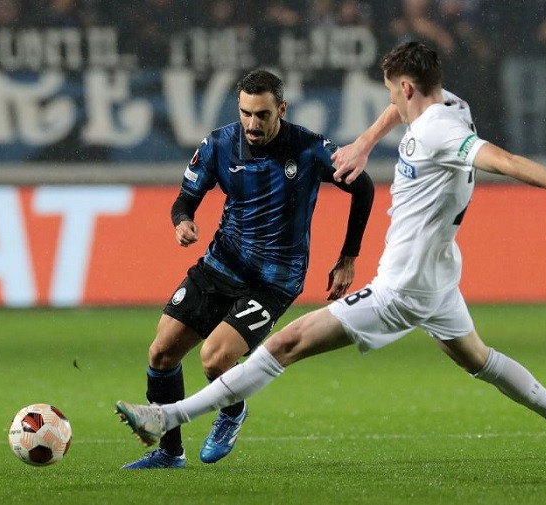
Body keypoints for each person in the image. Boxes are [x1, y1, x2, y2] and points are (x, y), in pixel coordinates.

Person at [116, 42, 546, 480]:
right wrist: (365, 141)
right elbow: (401, 113)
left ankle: (167, 417)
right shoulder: (451, 105)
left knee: (284, 345)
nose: (390, 102)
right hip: (439, 278)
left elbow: (505, 161)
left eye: (391, 92)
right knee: (481, 361)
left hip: (401, 288)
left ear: (405, 87)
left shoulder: (439, 133)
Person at [119, 69, 374, 469]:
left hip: (275, 279)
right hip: (220, 265)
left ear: (281, 110)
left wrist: (349, 256)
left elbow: (363, 186)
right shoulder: (219, 144)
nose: (252, 124)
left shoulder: (309, 148)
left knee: (214, 358)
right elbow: (185, 199)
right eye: (246, 113)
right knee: (162, 352)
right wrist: (183, 222)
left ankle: (233, 411)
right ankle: (169, 452)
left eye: (262, 115)